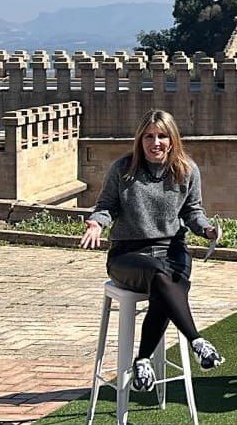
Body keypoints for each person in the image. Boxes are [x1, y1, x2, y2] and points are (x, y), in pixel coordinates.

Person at [79, 109, 224, 393]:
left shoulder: (187, 170)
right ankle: (197, 342)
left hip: (172, 251)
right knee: (161, 277)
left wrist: (206, 230)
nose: (155, 142)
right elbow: (107, 205)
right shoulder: (123, 169)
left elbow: (193, 211)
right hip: (128, 255)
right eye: (149, 136)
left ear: (172, 140)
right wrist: (96, 223)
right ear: (140, 139)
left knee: (163, 284)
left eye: (161, 136)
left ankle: (142, 360)